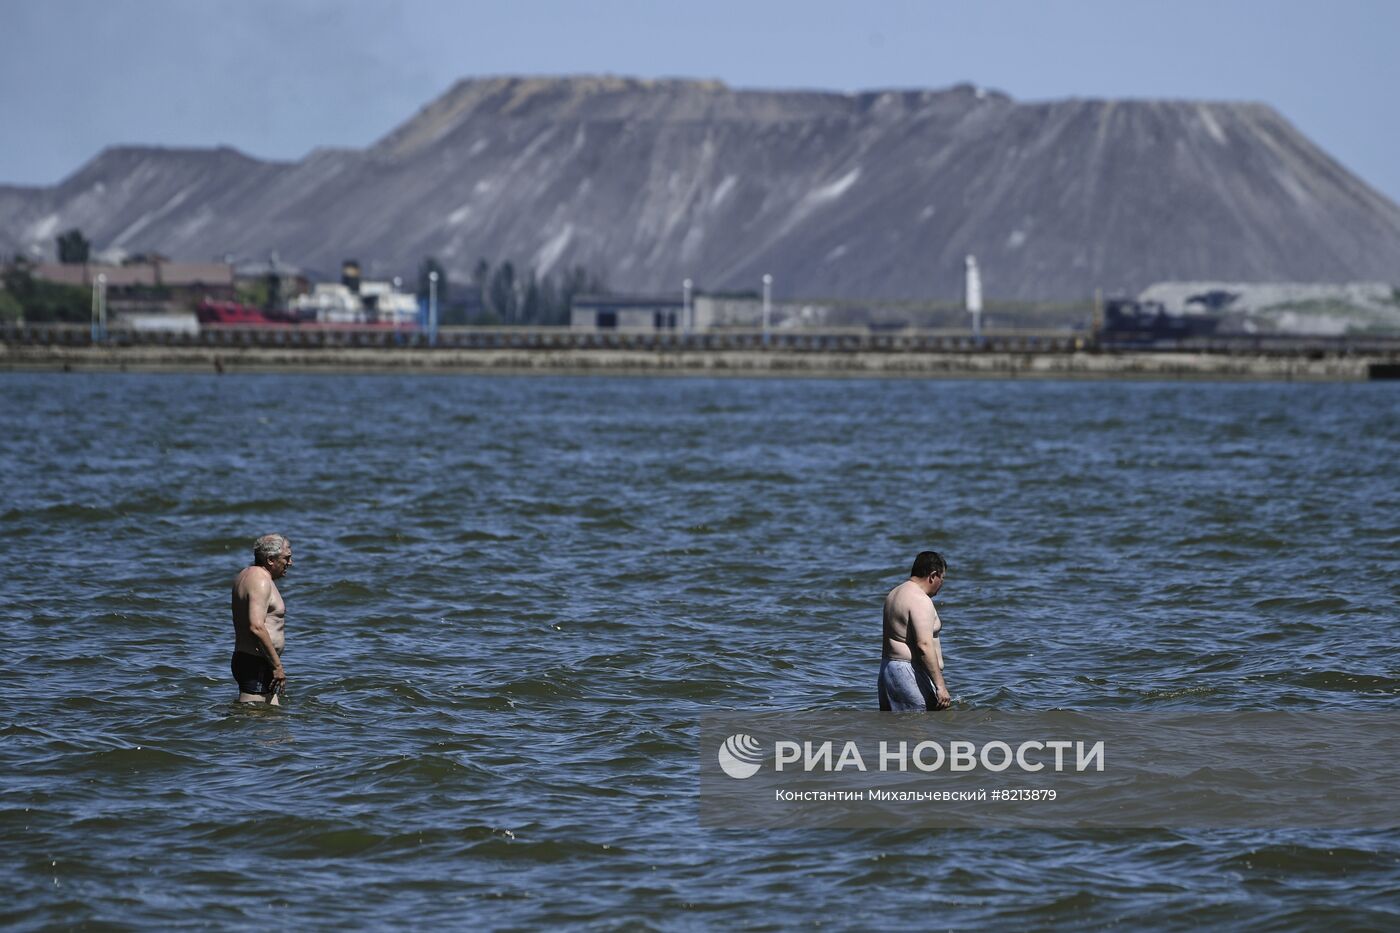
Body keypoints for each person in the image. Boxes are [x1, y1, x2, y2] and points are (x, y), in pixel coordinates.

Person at [879, 551, 951, 711]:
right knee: (918, 731)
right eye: (942, 578)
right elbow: (923, 645)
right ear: (933, 576)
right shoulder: (920, 599)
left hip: (888, 671)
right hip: (907, 674)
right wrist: (940, 686)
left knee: (894, 730)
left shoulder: (894, 594)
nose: (942, 584)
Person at [230, 533, 292, 704]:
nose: (290, 563)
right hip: (256, 662)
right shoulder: (260, 580)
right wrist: (277, 666)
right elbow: (256, 627)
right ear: (271, 560)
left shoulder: (246, 575)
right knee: (254, 719)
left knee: (272, 721)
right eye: (287, 558)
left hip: (255, 661)